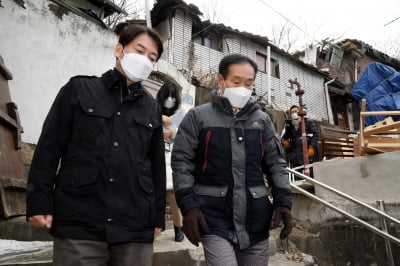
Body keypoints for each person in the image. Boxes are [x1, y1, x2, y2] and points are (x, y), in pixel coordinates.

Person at [26, 25, 166, 266]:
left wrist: (157, 216)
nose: (144, 60)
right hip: (80, 219)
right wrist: (38, 201)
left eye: (151, 58)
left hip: (135, 223)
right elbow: (49, 147)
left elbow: (156, 166)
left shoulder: (152, 108)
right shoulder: (79, 89)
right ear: (119, 50)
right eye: (139, 51)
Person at [171, 54, 293, 265]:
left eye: (249, 83)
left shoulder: (262, 120)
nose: (243, 88)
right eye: (236, 82)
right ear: (221, 81)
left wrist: (284, 201)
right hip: (213, 216)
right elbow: (182, 162)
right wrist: (188, 206)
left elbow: (275, 163)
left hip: (256, 219)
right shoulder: (198, 117)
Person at [156, 82, 185, 242]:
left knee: (174, 196)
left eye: (173, 97)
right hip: (155, 158)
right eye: (167, 96)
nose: (169, 100)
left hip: (173, 159)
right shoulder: (152, 110)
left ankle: (178, 226)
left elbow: (186, 135)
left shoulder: (181, 113)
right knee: (154, 195)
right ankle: (155, 226)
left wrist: (172, 133)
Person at [281, 105, 319, 176]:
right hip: (295, 157)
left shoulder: (308, 122)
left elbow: (315, 135)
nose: (294, 114)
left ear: (300, 112)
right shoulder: (290, 126)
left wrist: (312, 147)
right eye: (292, 112)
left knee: (311, 175)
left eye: (296, 111)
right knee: (298, 177)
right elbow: (284, 137)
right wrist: (283, 141)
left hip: (308, 154)